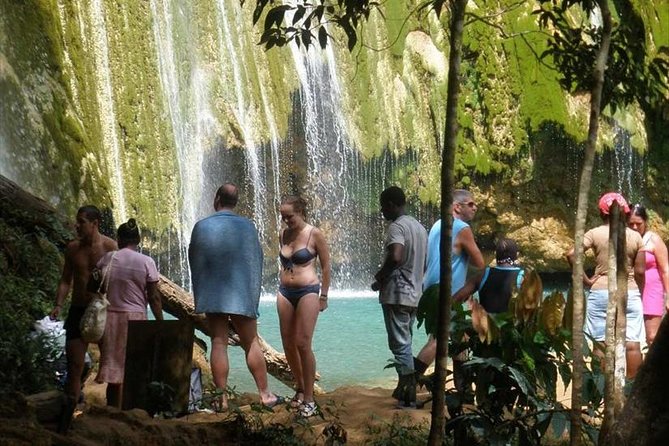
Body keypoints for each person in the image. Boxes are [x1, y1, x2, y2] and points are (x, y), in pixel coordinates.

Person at [188, 183, 282, 410]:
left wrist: (202, 290)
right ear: (235, 202)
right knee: (251, 343)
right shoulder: (248, 226)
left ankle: (221, 399)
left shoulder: (201, 226)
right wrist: (252, 295)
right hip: (240, 293)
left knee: (219, 342)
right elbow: (256, 259)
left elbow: (194, 257)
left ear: (216, 199)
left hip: (214, 293)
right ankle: (265, 394)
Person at [50, 205, 117, 432]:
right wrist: (58, 304)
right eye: (77, 221)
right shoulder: (72, 249)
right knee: (75, 365)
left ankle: (115, 419)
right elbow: (66, 280)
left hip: (101, 311)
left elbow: (118, 283)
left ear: (95, 223)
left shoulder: (110, 248)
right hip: (78, 311)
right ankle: (66, 423)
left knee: (113, 366)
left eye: (81, 221)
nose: (77, 225)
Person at [566, 192, 645, 378]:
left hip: (601, 290)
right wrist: (640, 291)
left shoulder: (594, 233)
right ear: (625, 213)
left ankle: (601, 391)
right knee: (632, 343)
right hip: (629, 291)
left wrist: (586, 280)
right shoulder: (635, 237)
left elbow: (571, 254)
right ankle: (630, 392)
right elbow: (640, 271)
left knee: (600, 342)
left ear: (602, 213)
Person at [94, 218, 164, 408]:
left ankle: (112, 410)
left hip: (112, 318)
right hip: (136, 320)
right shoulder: (147, 262)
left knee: (113, 369)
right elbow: (154, 298)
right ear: (138, 240)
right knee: (134, 368)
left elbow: (95, 287)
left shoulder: (108, 258)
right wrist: (160, 322)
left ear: (119, 239)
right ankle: (131, 410)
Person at [414, 189, 485, 375]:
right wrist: (470, 286)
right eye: (470, 204)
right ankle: (409, 384)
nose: (475, 207)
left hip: (430, 289)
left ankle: (464, 391)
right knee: (438, 340)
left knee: (461, 337)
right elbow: (480, 263)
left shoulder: (438, 224)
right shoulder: (461, 228)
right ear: (457, 207)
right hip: (449, 292)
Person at [372, 186, 428, 408]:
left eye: (383, 206)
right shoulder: (420, 228)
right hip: (415, 294)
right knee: (407, 341)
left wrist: (380, 278)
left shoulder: (397, 227)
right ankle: (406, 390)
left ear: (392, 204)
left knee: (400, 345)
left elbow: (396, 255)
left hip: (398, 294)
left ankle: (408, 394)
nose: (382, 211)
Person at [277, 196, 331, 418]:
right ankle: (299, 388)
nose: (286, 220)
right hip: (284, 291)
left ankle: (309, 398)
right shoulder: (283, 234)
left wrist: (324, 296)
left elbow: (326, 266)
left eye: (289, 216)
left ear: (300, 212)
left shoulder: (314, 233)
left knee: (302, 343)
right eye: (283, 217)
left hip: (308, 290)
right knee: (288, 344)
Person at [628, 204, 669, 345]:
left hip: (651, 292)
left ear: (645, 222)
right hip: (631, 291)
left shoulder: (654, 240)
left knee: (652, 337)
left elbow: (665, 269)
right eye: (631, 223)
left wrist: (668, 296)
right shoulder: (625, 239)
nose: (634, 227)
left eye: (638, 223)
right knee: (631, 338)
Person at [452, 238, 524, 313]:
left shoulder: (482, 275)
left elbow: (456, 298)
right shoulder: (523, 277)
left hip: (485, 323)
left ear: (495, 254)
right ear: (517, 255)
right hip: (509, 324)